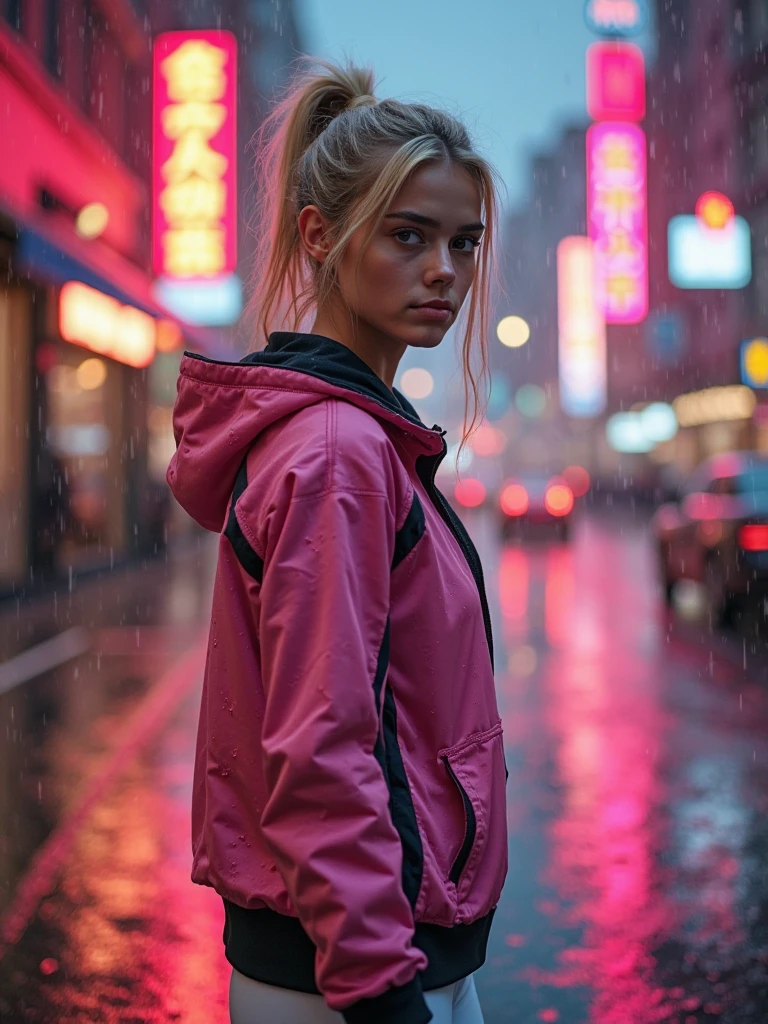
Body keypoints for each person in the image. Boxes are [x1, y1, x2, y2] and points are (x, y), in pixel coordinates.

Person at [167, 58, 508, 1024]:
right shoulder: (336, 450)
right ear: (321, 236)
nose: (445, 269)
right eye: (410, 236)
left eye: (464, 241)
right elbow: (321, 745)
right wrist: (379, 988)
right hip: (357, 976)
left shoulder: (356, 436)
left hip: (372, 953)